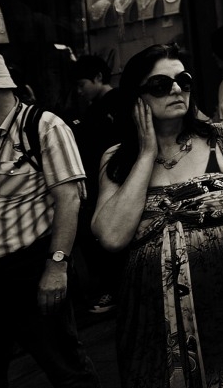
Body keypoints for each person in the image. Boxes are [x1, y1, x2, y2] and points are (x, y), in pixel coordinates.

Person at [92, 44, 223, 387]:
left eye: (182, 81)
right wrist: (146, 155)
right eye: (160, 85)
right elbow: (111, 236)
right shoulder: (118, 159)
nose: (175, 89)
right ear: (137, 98)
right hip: (152, 321)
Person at [0, 50, 100, 388]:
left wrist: (57, 267)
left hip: (26, 273)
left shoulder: (43, 127)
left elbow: (69, 199)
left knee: (66, 370)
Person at [69, 56, 123, 316]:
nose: (80, 91)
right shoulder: (92, 109)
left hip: (114, 180)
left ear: (99, 77)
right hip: (98, 181)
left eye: (82, 84)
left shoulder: (118, 102)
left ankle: (116, 289)